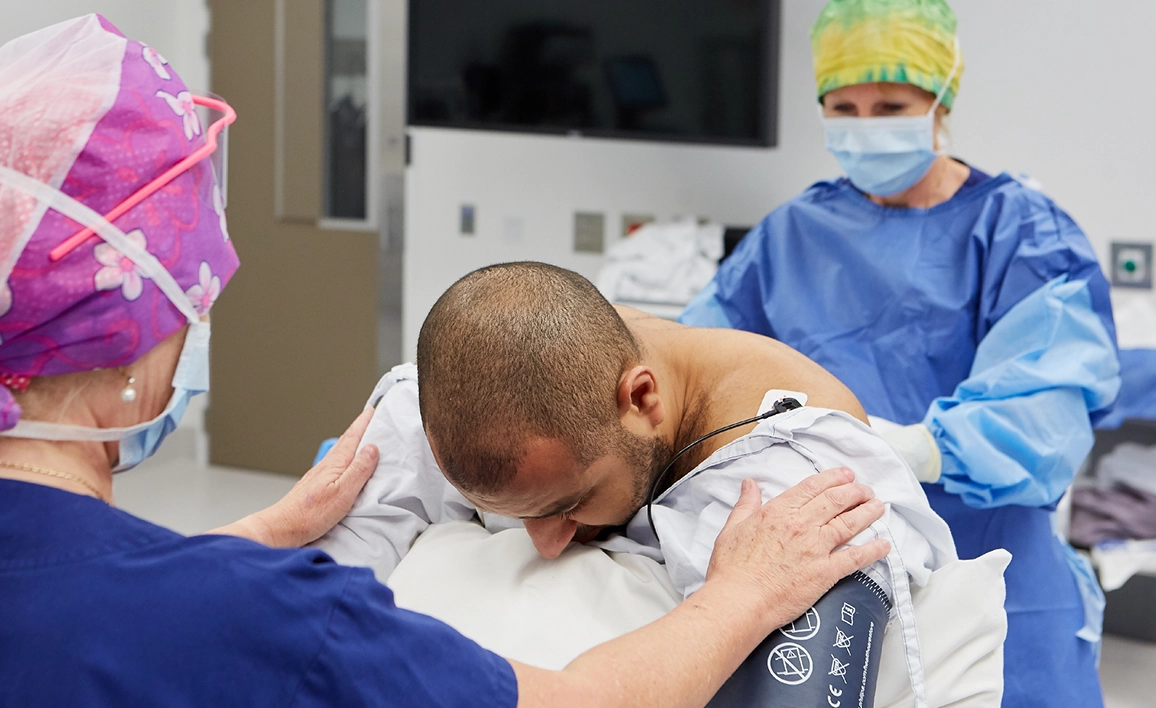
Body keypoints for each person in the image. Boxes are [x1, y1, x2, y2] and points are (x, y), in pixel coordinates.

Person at [0, 15, 891, 708]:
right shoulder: (269, 616)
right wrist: (743, 597)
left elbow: (89, 597)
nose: (545, 542)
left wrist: (261, 532)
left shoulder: (205, 583)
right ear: (133, 340)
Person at [678, 1, 1120, 705]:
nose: (864, 126)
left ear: (940, 98)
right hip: (836, 554)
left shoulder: (1020, 232)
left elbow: (1047, 404)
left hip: (994, 562)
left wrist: (912, 447)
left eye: (890, 104)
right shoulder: (790, 235)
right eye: (842, 106)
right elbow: (701, 366)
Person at [314, 261, 960, 704]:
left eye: (568, 505)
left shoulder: (797, 484)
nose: (542, 545)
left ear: (641, 399)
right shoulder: (435, 409)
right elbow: (305, 618)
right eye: (511, 516)